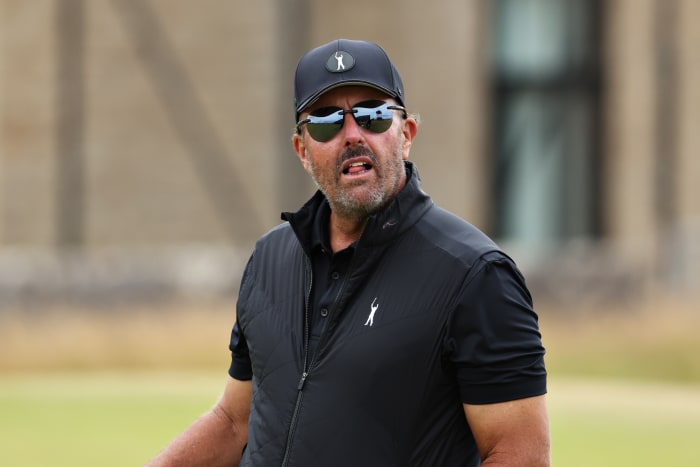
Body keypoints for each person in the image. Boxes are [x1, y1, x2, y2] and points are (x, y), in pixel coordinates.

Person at [147, 38, 550, 466]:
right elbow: (234, 422)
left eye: (374, 115)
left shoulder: (474, 275)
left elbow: (518, 454)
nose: (353, 134)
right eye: (325, 122)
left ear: (406, 134)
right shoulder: (269, 260)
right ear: (303, 150)